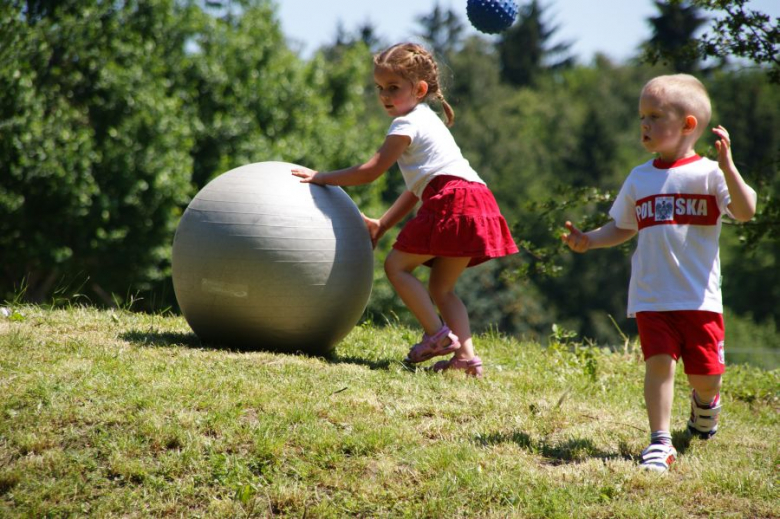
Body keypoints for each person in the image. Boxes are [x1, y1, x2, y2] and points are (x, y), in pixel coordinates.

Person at [562, 74, 757, 472]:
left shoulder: (709, 174)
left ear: (688, 124)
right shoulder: (640, 177)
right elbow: (622, 226)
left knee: (705, 377)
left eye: (654, 116)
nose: (644, 126)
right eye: (641, 118)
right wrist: (589, 241)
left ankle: (706, 404)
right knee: (659, 364)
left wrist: (729, 166)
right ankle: (660, 441)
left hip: (699, 300)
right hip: (652, 296)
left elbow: (746, 210)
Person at [292, 42, 518, 377]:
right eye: (379, 88)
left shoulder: (405, 124)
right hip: (477, 198)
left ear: (420, 89)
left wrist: (321, 177)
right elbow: (416, 191)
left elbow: (371, 170)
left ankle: (437, 336)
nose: (384, 95)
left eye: (393, 88)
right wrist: (382, 224)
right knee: (442, 289)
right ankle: (467, 360)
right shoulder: (428, 119)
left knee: (396, 267)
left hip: (452, 199)